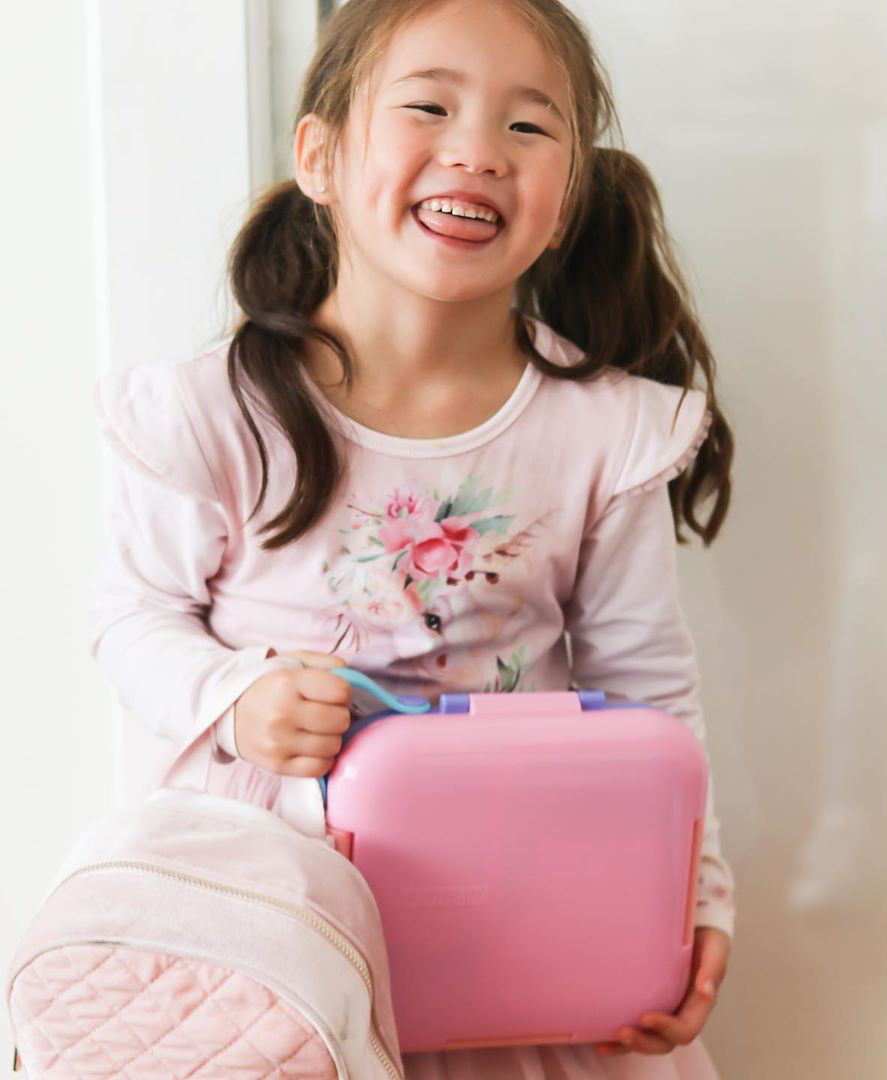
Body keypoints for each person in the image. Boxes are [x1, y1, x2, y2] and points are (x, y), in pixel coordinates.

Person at [89, 0, 737, 1075]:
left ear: (567, 197)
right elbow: (131, 617)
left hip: (523, 928)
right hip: (276, 938)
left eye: (531, 127)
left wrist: (694, 890)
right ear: (321, 155)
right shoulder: (212, 415)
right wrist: (232, 700)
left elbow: (648, 690)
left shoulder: (602, 431)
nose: (479, 151)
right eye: (429, 105)